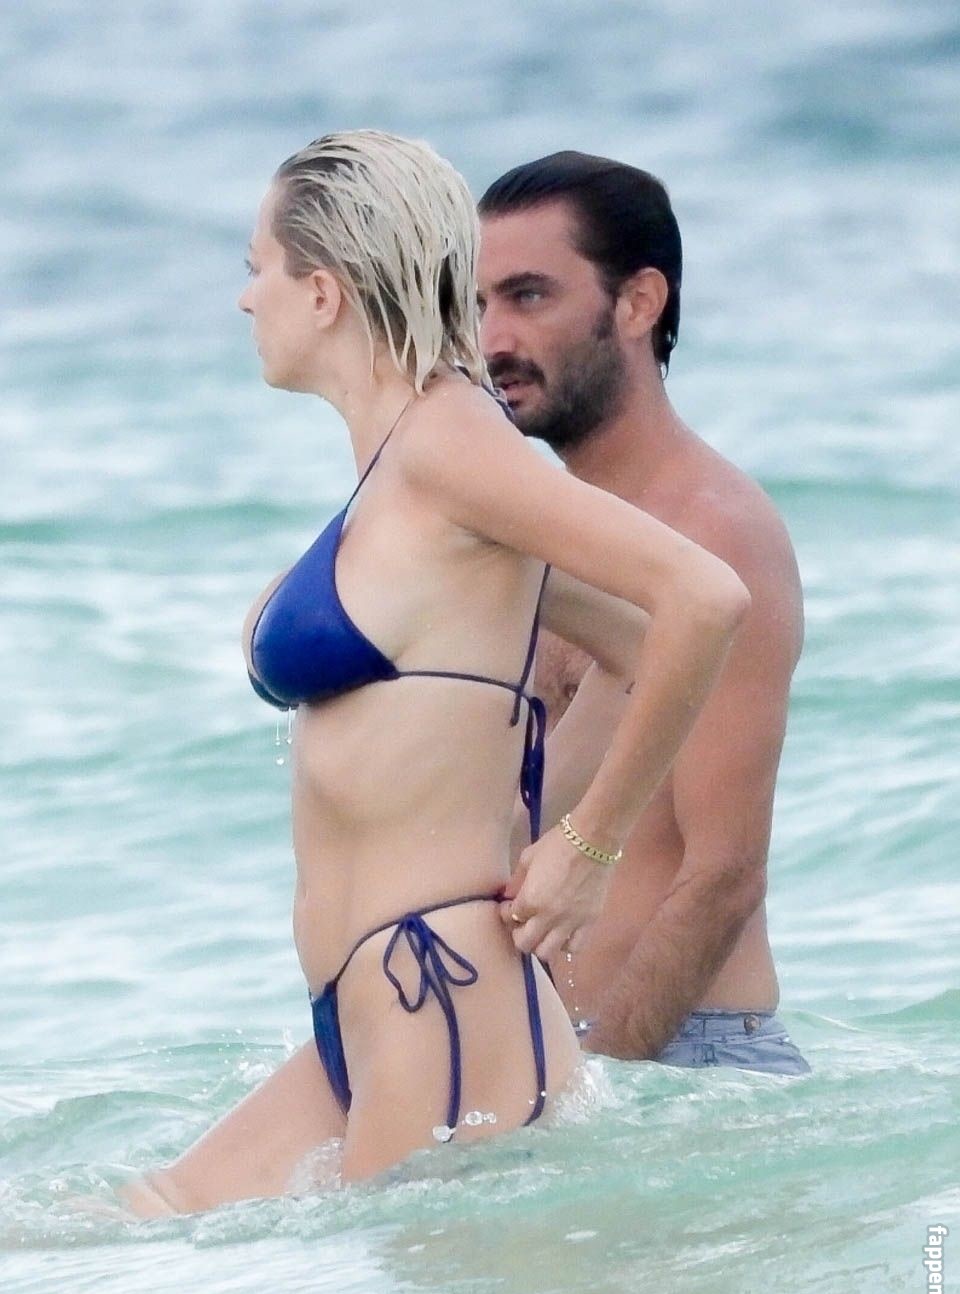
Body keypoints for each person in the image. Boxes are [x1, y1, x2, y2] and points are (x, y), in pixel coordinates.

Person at [121, 131, 748, 1216]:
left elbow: (705, 598)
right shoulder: (407, 469)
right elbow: (632, 648)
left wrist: (588, 846)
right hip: (375, 1002)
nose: (244, 299)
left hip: (436, 986)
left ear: (323, 293)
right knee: (130, 1227)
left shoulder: (451, 444)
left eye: (257, 268)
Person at [478, 151, 811, 1075]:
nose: (493, 339)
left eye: (529, 297)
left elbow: (723, 875)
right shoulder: (536, 531)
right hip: (553, 1058)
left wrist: (599, 1086)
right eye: (479, 304)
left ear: (637, 304)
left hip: (683, 1060)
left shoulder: (713, 534)